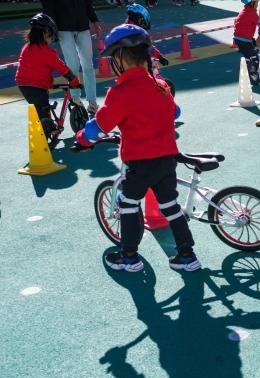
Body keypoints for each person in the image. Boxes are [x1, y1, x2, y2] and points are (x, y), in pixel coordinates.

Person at [74, 25, 200, 272]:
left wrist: (82, 139)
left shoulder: (120, 92)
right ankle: (187, 254)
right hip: (166, 159)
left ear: (119, 58)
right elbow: (175, 112)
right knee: (170, 206)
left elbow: (99, 125)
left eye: (113, 59)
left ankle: (129, 256)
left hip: (140, 162)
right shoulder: (161, 86)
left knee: (129, 204)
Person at [15, 13, 81, 138]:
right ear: (46, 33)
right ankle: (47, 131)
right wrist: (73, 79)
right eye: (51, 36)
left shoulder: (27, 47)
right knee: (43, 111)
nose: (52, 40)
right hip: (36, 85)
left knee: (40, 107)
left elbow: (33, 67)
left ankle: (46, 126)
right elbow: (60, 67)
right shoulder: (45, 51)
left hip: (23, 84)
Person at [41, 0, 101, 115]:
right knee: (72, 64)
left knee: (88, 65)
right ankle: (76, 99)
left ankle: (92, 102)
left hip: (83, 27)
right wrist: (52, 29)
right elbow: (48, 7)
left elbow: (87, 3)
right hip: (63, 29)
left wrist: (94, 20)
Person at [234, 0, 260, 85]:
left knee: (248, 56)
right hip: (245, 40)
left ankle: (248, 70)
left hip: (238, 39)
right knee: (254, 57)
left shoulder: (244, 11)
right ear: (252, 3)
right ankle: (253, 76)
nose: (258, 4)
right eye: (256, 2)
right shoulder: (252, 13)